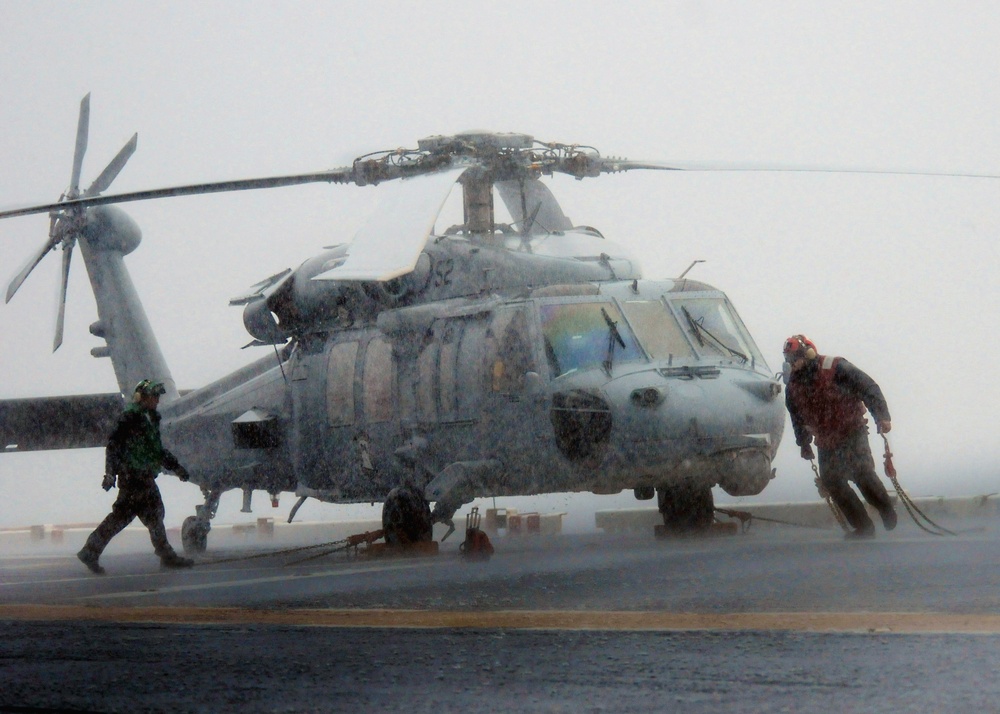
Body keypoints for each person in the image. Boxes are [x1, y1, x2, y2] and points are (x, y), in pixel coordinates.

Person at [782, 335, 897, 539]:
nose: (793, 363)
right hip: (826, 438)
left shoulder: (835, 367)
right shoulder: (793, 386)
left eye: (796, 357)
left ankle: (885, 507)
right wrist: (804, 443)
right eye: (790, 359)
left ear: (809, 353)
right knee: (831, 481)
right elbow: (796, 415)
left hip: (852, 431)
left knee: (861, 474)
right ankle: (863, 527)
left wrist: (882, 417)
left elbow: (868, 387)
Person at [77, 379, 194, 574]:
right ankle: (166, 557)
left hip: (141, 475)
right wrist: (109, 474)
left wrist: (176, 467)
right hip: (134, 477)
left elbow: (155, 450)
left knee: (127, 517)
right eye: (154, 396)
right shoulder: (130, 419)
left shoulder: (149, 418)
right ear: (143, 397)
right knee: (150, 515)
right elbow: (113, 447)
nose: (157, 400)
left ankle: (91, 550)